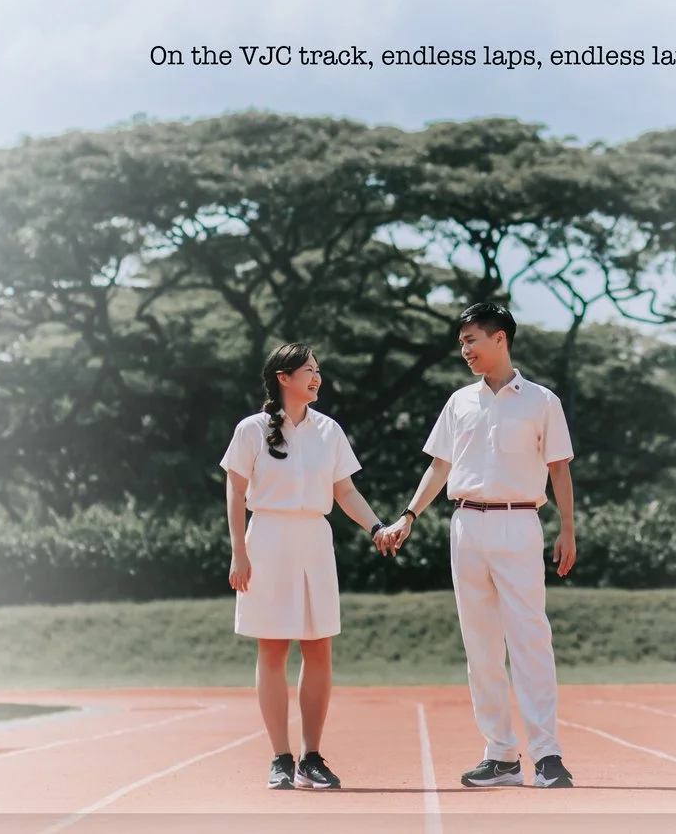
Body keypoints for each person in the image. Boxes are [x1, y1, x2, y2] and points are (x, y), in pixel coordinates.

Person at [374, 304, 580, 789]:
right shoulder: (459, 401)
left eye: (471, 340)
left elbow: (559, 468)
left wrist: (567, 528)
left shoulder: (542, 401)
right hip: (466, 525)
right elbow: (439, 466)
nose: (464, 350)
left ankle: (547, 755)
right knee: (481, 645)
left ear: (500, 338)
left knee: (530, 639)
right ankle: (502, 755)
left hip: (520, 522)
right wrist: (408, 515)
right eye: (462, 342)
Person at [221, 343, 380, 790]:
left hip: (314, 541)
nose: (316, 377)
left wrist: (376, 527)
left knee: (319, 647)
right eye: (308, 370)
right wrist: (239, 552)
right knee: (272, 649)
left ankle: (311, 757)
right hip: (267, 540)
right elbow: (235, 492)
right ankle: (280, 757)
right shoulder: (251, 429)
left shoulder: (329, 430)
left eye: (318, 370)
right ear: (283, 377)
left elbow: (346, 492)